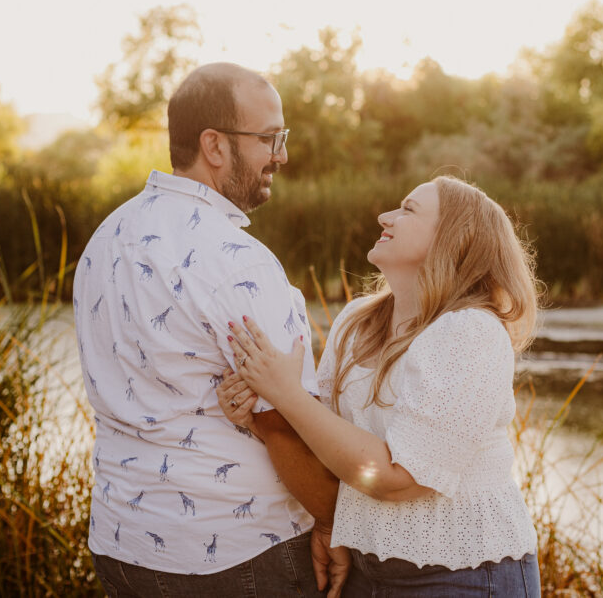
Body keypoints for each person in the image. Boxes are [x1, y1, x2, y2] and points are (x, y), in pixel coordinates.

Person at [73, 63, 348, 597]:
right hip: (237, 554)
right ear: (215, 145)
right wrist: (331, 519)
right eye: (270, 138)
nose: (281, 156)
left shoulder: (106, 237)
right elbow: (283, 423)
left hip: (121, 544)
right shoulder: (238, 261)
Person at [220, 175, 542, 596]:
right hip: (364, 570)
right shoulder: (357, 322)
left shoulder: (471, 332)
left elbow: (400, 479)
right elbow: (326, 443)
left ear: (453, 239)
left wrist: (286, 394)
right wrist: (258, 415)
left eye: (408, 209)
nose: (384, 217)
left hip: (465, 575)